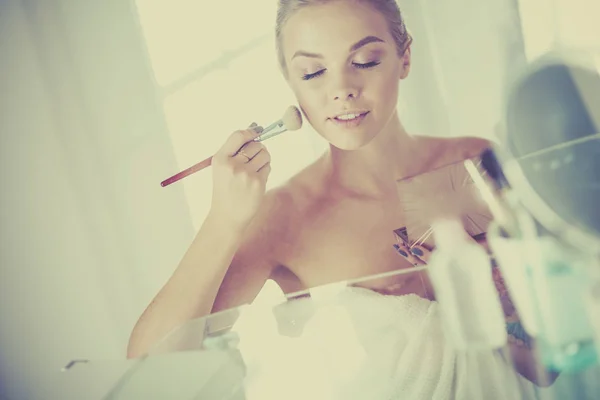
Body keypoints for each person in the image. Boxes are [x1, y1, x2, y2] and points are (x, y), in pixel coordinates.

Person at [128, 0, 556, 389]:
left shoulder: (474, 162)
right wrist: (223, 220)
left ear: (404, 56)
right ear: (291, 82)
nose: (342, 89)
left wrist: (476, 286)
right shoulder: (285, 216)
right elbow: (150, 368)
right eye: (313, 72)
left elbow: (548, 365)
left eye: (366, 61)